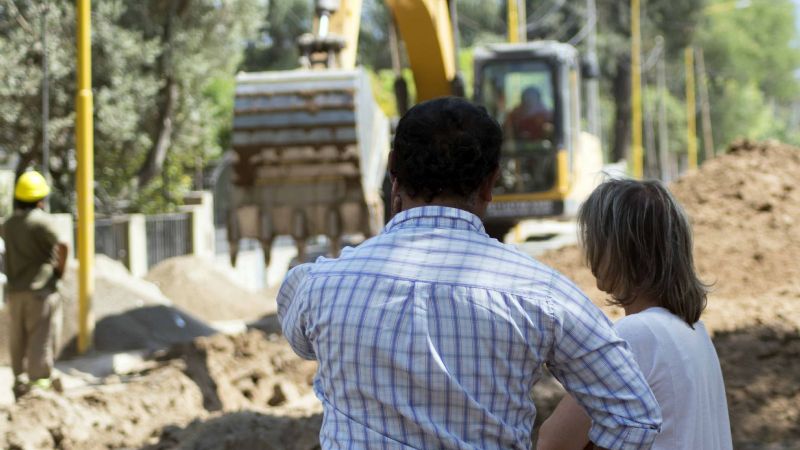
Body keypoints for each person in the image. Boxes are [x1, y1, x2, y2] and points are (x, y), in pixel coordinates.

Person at [278, 97, 661, 449]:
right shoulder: (543, 294)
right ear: (491, 181)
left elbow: (296, 315)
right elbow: (635, 417)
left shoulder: (323, 285)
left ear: (393, 168)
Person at [537, 179, 733, 450]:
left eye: (596, 240)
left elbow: (553, 442)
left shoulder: (636, 334)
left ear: (623, 248)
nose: (590, 255)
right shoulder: (694, 331)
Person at [1, 171, 68, 399]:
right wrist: (59, 270)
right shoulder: (42, 221)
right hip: (40, 291)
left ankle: (19, 383)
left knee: (17, 340)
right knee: (41, 339)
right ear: (41, 199)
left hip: (15, 292)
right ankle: (39, 390)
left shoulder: (8, 224)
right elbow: (63, 244)